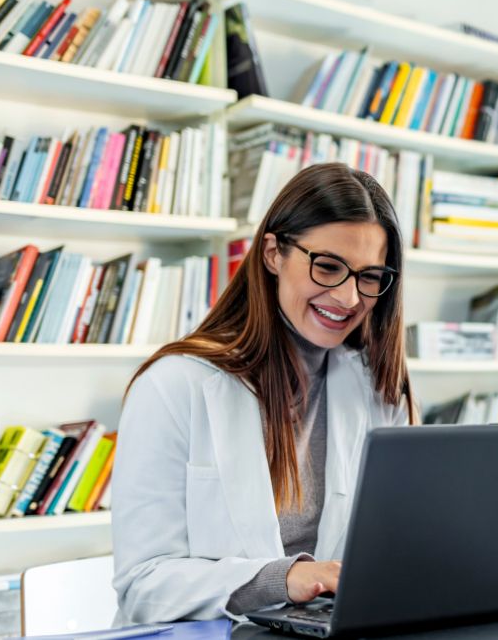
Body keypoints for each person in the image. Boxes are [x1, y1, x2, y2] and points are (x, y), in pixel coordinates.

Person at [112, 163, 416, 623]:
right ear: (273, 253)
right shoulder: (173, 385)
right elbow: (143, 586)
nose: (350, 298)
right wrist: (282, 579)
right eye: (329, 266)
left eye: (370, 277)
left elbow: (397, 546)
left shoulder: (377, 388)